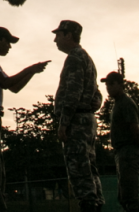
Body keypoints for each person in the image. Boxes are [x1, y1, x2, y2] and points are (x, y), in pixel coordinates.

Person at [0, 27, 50, 212]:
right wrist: (29, 68)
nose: (9, 47)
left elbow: (14, 87)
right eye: (7, 42)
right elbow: (6, 84)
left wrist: (32, 72)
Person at [52, 20, 104, 212]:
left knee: (79, 171)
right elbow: (96, 93)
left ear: (68, 35)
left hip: (77, 122)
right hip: (87, 120)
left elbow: (73, 92)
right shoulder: (86, 58)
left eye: (58, 34)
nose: (55, 39)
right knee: (89, 168)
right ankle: (96, 203)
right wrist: (94, 104)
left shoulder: (74, 58)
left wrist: (64, 123)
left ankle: (90, 206)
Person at [102, 71, 139, 212]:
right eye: (107, 84)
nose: (108, 87)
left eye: (112, 83)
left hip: (129, 151)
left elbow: (135, 129)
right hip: (122, 152)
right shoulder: (118, 103)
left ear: (121, 85)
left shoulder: (126, 103)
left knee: (130, 197)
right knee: (125, 197)